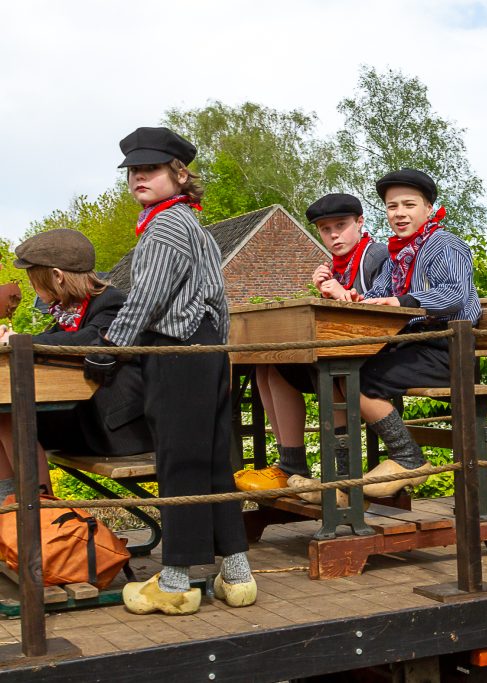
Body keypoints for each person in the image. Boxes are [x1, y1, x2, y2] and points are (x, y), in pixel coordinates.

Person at [102, 126, 255, 615]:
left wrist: (111, 346)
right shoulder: (189, 223)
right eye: (133, 171)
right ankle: (237, 575)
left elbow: (146, 299)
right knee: (211, 463)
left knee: (179, 461)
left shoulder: (167, 226)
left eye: (150, 169)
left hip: (176, 351)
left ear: (179, 173)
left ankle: (175, 583)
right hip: (204, 349)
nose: (138, 177)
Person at [302, 168, 481, 499]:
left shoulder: (446, 244)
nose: (399, 213)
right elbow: (378, 299)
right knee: (336, 372)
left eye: (408, 205)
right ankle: (343, 481)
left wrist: (403, 301)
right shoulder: (396, 257)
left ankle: (409, 459)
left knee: (363, 378)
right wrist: (353, 299)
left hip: (448, 348)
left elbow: (455, 293)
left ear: (429, 208)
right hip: (411, 346)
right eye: (392, 206)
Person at [233, 194, 387, 499]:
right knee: (270, 366)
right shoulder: (337, 265)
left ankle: (342, 479)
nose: (333, 235)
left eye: (340, 226)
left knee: (328, 376)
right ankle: (291, 465)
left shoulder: (377, 256)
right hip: (345, 353)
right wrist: (328, 294)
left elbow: (381, 311)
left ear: (360, 222)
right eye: (325, 229)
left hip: (375, 357)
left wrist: (340, 294)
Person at [0, 230, 153, 498]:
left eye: (34, 280)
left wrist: (21, 340)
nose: (31, 288)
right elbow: (50, 338)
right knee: (3, 419)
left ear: (57, 276)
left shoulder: (111, 303)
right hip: (85, 416)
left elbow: (89, 340)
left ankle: (37, 514)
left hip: (115, 427)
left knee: (13, 421)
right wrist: (13, 340)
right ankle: (13, 511)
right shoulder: (68, 311)